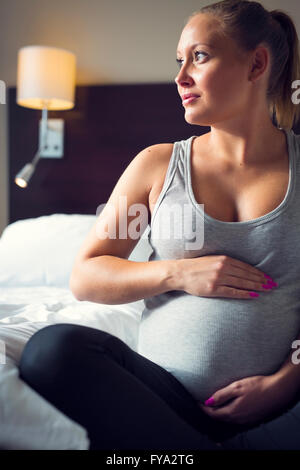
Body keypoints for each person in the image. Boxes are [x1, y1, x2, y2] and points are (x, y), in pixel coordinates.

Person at [19, 0, 300, 450]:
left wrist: (287, 381)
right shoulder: (157, 166)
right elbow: (87, 275)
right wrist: (179, 273)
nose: (180, 75)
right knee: (52, 350)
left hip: (283, 407)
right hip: (161, 400)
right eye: (179, 60)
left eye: (200, 56)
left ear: (257, 63)